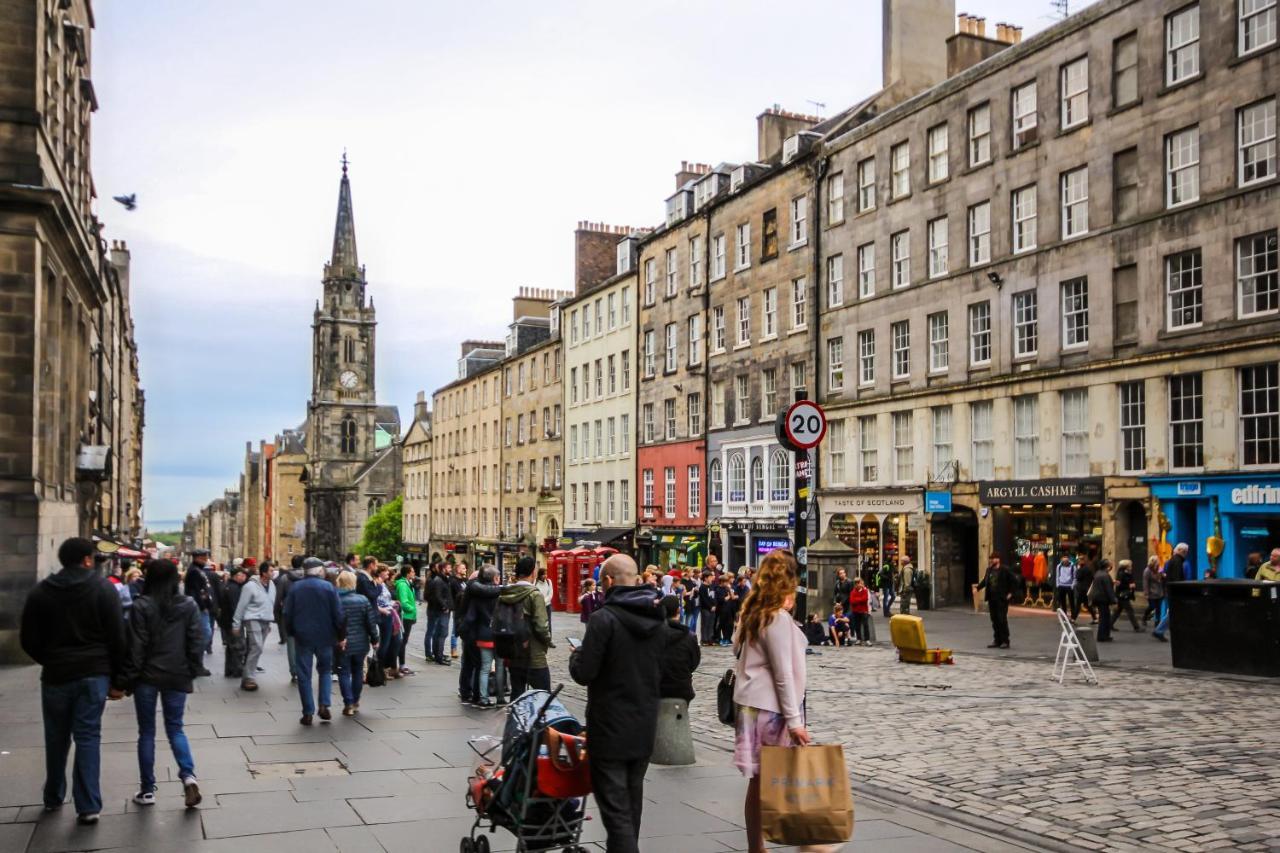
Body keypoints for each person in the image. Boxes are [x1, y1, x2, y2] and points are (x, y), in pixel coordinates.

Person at [20, 537, 127, 825]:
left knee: (56, 737)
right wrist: (119, 679)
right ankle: (88, 804)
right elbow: (118, 638)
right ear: (88, 560)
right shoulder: (103, 589)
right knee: (88, 736)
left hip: (56, 675)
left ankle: (53, 796)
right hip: (94, 674)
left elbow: (27, 639)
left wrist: (51, 658)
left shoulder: (41, 592)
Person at [569, 554, 665, 853]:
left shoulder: (603, 618)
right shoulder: (657, 616)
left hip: (610, 727)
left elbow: (585, 672)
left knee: (616, 811)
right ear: (637, 579)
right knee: (632, 804)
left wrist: (576, 655)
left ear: (608, 581)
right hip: (645, 723)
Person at [729, 550, 815, 853]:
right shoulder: (775, 619)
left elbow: (737, 651)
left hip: (751, 708)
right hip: (771, 710)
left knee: (759, 783)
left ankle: (758, 847)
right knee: (782, 779)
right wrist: (795, 722)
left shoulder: (753, 614)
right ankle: (808, 843)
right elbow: (783, 674)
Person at [120, 558, 203, 810]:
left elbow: (136, 647)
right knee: (176, 728)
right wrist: (192, 667)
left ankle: (147, 790)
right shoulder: (188, 605)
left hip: (147, 676)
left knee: (146, 732)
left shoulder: (140, 606)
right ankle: (188, 776)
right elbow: (197, 640)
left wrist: (127, 679)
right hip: (177, 674)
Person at [283, 558, 346, 725]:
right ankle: (324, 704)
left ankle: (308, 712)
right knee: (325, 671)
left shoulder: (296, 588)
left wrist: (291, 632)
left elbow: (287, 613)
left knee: (304, 674)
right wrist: (341, 636)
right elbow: (339, 615)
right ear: (319, 571)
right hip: (326, 636)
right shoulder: (328, 587)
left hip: (303, 637)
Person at [498, 556, 552, 696]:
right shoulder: (534, 595)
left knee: (517, 694)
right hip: (534, 655)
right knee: (544, 696)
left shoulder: (505, 593)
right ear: (533, 572)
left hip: (513, 652)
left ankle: (515, 718)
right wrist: (548, 641)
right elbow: (541, 627)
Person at [462, 565, 505, 707]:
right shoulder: (502, 595)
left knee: (485, 668)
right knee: (499, 667)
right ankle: (500, 698)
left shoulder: (477, 597)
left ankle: (484, 698)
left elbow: (470, 617)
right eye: (498, 577)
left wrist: (463, 631)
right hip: (500, 635)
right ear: (494, 578)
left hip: (484, 634)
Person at [336, 571, 378, 716]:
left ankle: (348, 703)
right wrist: (375, 640)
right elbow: (370, 623)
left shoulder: (336, 600)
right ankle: (355, 700)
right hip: (361, 643)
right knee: (358, 671)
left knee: (344, 672)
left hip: (343, 643)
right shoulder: (363, 600)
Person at [231, 564, 276, 691]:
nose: (273, 573)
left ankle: (248, 675)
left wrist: (270, 620)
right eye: (271, 570)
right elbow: (241, 606)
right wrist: (236, 623)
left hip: (265, 620)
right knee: (257, 647)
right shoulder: (249, 586)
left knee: (256, 648)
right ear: (263, 572)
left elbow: (270, 603)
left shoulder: (272, 585)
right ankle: (248, 677)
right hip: (252, 618)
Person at [658, 595, 700, 703]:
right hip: (681, 688)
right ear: (678, 610)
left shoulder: (654, 634)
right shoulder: (690, 637)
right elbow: (694, 662)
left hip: (658, 688)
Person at [182, 549, 217, 674]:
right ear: (196, 558)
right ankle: (195, 663)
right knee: (204, 635)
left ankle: (197, 663)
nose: (205, 560)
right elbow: (195, 592)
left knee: (204, 635)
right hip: (199, 609)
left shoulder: (197, 570)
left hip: (201, 608)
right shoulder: (194, 571)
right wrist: (202, 606)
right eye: (203, 558)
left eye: (205, 557)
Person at [976, 554, 1016, 649]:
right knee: (994, 620)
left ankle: (1005, 641)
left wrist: (1011, 593)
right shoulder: (989, 570)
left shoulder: (1005, 570)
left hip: (1001, 599)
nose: (992, 561)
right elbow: (984, 581)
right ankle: (997, 640)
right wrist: (977, 588)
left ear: (998, 559)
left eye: (994, 559)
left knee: (1002, 620)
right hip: (991, 599)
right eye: (991, 559)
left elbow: (1015, 581)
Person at [217, 563, 248, 680]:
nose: (244, 577)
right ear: (236, 576)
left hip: (226, 621)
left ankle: (229, 669)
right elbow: (236, 607)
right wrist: (237, 622)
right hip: (233, 621)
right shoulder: (234, 588)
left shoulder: (227, 586)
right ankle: (238, 669)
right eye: (242, 575)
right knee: (238, 646)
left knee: (230, 647)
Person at [424, 563, 451, 665]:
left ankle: (437, 654)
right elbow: (435, 595)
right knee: (436, 632)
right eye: (448, 567)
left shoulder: (439, 579)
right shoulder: (435, 580)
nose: (450, 569)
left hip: (437, 608)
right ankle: (432, 654)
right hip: (435, 609)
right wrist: (444, 606)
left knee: (436, 632)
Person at [393, 565, 417, 675]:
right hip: (405, 616)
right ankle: (400, 665)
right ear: (407, 573)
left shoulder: (407, 583)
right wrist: (412, 609)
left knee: (403, 641)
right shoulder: (403, 585)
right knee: (402, 641)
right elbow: (403, 601)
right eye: (412, 571)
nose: (414, 573)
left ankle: (400, 665)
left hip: (408, 616)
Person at [1089, 559, 1117, 642]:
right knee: (1104, 618)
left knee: (1103, 617)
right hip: (1103, 599)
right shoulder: (1105, 575)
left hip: (1098, 598)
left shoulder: (1098, 573)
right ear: (1107, 567)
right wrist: (1114, 600)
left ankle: (1102, 635)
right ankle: (1103, 636)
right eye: (1110, 565)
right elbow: (1108, 589)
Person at [1113, 559, 1141, 632]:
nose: (1131, 566)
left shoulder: (1126, 573)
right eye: (1130, 565)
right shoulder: (1121, 574)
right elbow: (1119, 585)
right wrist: (1129, 586)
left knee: (1118, 611)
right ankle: (1136, 627)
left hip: (1123, 595)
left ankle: (1109, 625)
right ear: (1126, 566)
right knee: (1130, 610)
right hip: (1122, 595)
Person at [1141, 555, 1164, 625]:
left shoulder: (1159, 569)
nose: (1158, 562)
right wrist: (1146, 593)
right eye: (1157, 561)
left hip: (1159, 592)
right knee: (1152, 606)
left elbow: (1162, 578)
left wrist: (1163, 575)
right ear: (1153, 562)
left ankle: (1157, 622)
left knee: (1158, 608)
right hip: (1151, 592)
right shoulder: (1147, 570)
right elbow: (1145, 582)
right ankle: (1144, 617)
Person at [847, 578, 871, 645]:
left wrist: (857, 599)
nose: (859, 585)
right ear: (855, 585)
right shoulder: (853, 592)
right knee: (857, 625)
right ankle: (859, 639)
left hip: (864, 611)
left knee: (865, 625)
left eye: (860, 583)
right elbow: (852, 601)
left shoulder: (865, 591)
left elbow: (865, 599)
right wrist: (860, 600)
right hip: (856, 611)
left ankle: (867, 639)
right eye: (857, 584)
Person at [696, 571, 717, 646]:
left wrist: (715, 605)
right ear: (705, 578)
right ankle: (704, 639)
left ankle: (710, 638)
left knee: (711, 624)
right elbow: (704, 599)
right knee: (705, 624)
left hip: (713, 608)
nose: (712, 578)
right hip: (706, 608)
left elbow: (714, 597)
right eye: (710, 577)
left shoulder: (712, 586)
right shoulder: (702, 587)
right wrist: (710, 606)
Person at [1053, 555, 1076, 620]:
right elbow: (1057, 575)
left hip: (1069, 586)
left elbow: (1074, 576)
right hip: (1061, 585)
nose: (1065, 563)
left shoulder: (1072, 566)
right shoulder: (1059, 566)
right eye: (1063, 562)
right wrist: (1058, 584)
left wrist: (1072, 585)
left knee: (1072, 602)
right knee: (1063, 602)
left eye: (1066, 561)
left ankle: (1073, 617)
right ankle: (1064, 616)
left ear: (1068, 561)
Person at [1073, 557, 1095, 622]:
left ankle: (1073, 619)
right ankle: (1095, 618)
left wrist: (1078, 570)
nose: (1078, 562)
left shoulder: (1081, 569)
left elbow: (1078, 577)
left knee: (1078, 604)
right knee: (1086, 604)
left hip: (1081, 589)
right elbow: (1092, 578)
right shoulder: (1089, 569)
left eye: (1079, 561)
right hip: (1086, 588)